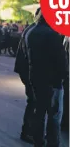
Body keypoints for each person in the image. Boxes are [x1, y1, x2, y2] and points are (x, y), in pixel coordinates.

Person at [21, 10, 67, 147]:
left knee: (39, 112)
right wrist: (63, 76)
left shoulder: (31, 32)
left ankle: (38, 141)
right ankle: (52, 143)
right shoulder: (53, 35)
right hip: (52, 80)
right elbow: (60, 59)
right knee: (54, 115)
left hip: (35, 76)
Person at [14, 8, 41, 144]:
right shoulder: (33, 31)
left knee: (33, 101)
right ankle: (27, 131)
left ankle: (29, 131)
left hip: (27, 71)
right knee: (33, 102)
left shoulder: (30, 29)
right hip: (29, 72)